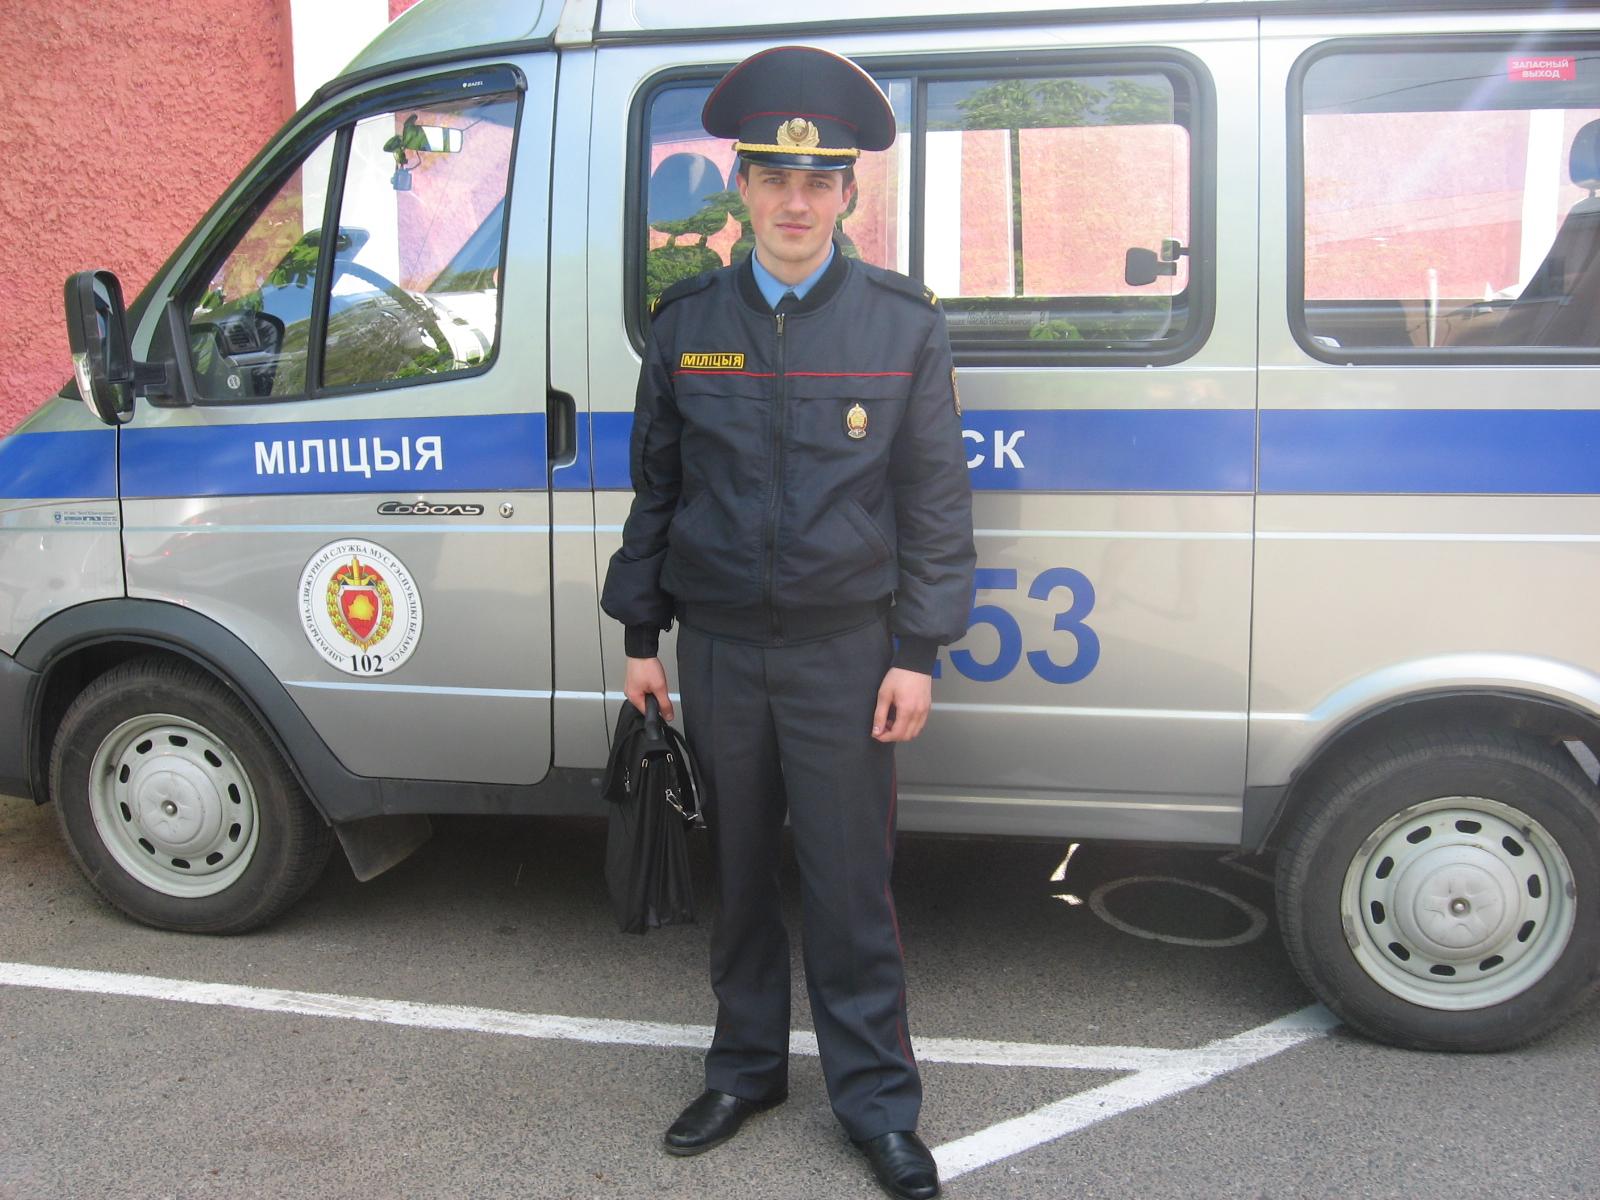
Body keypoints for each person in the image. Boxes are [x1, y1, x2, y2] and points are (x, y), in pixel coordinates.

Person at [601, 44, 975, 1200]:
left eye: (819, 181)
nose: (796, 201)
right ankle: (745, 1070)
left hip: (843, 654)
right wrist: (640, 639)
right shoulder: (686, 324)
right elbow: (658, 490)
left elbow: (934, 501)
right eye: (774, 178)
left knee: (850, 887)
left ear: (848, 193)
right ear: (743, 188)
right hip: (717, 648)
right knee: (740, 872)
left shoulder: (900, 327)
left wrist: (917, 652)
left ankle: (877, 1105)